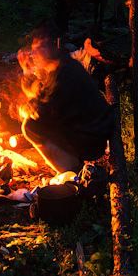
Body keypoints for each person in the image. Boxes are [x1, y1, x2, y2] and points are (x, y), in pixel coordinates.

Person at [20, 26, 116, 173]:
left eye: (39, 48)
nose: (34, 55)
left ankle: (72, 173)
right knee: (33, 121)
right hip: (91, 132)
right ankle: (71, 166)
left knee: (31, 127)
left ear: (53, 47)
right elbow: (40, 96)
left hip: (91, 140)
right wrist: (27, 72)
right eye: (34, 50)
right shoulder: (61, 67)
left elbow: (41, 112)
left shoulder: (65, 74)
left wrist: (26, 109)